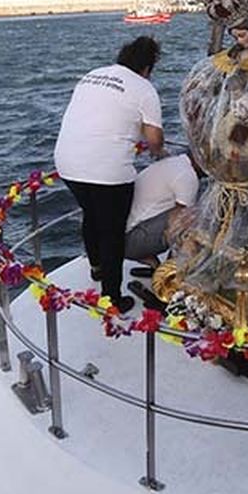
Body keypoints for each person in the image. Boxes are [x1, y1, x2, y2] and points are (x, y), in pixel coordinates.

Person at [53, 36, 164, 311]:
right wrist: (158, 152)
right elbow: (154, 139)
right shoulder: (144, 88)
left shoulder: (93, 75)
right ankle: (112, 298)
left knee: (91, 214)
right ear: (148, 67)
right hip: (107, 170)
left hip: (67, 163)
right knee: (112, 231)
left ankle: (97, 268)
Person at [124, 154, 201, 267]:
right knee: (190, 218)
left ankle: (154, 262)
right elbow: (183, 221)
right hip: (130, 241)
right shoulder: (188, 176)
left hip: (122, 236)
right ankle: (171, 270)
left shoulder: (175, 162)